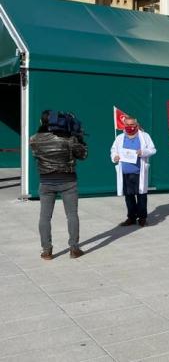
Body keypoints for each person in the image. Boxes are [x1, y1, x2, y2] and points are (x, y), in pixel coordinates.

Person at [30, 110, 88, 260]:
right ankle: (74, 250)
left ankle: (47, 251)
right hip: (68, 181)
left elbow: (36, 156)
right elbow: (83, 155)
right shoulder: (69, 139)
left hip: (46, 182)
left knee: (44, 217)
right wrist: (79, 138)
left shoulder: (34, 139)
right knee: (72, 215)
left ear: (42, 122)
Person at [110, 117, 157, 227]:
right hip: (125, 172)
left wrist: (143, 152)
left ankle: (142, 218)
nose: (130, 127)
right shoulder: (120, 138)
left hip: (139, 172)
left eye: (132, 125)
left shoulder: (144, 136)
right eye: (128, 125)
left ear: (137, 125)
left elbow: (153, 149)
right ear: (124, 125)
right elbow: (113, 150)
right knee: (129, 196)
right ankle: (131, 217)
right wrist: (115, 157)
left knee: (141, 196)